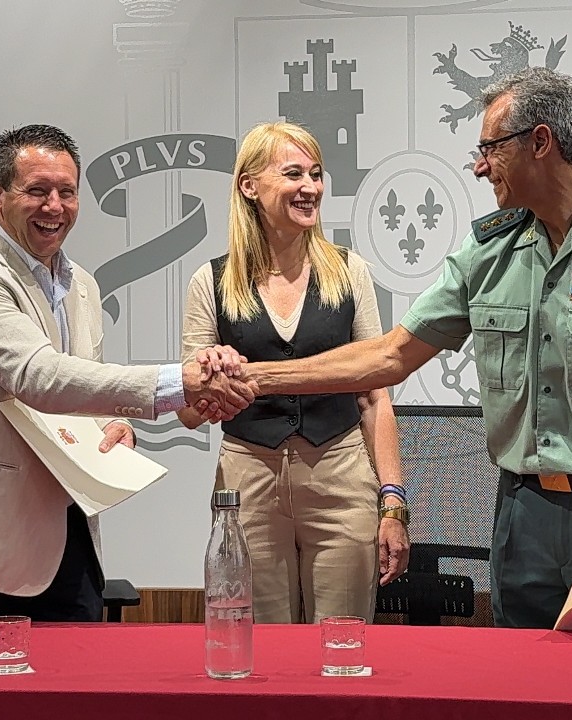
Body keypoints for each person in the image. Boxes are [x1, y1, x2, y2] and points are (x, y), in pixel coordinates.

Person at [241, 68, 572, 628]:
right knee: (518, 675)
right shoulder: (489, 251)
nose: (480, 166)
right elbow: (392, 356)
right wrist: (255, 379)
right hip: (523, 516)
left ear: (540, 142)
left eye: (491, 148)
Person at [0, 124, 254, 622]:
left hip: (68, 539)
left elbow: (84, 384)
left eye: (67, 192)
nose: (54, 207)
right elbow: (41, 378)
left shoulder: (80, 283)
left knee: (78, 673)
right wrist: (181, 383)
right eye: (37, 190)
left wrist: (113, 424)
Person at [179, 121, 410, 623]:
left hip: (341, 475)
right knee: (260, 645)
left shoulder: (350, 272)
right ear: (249, 186)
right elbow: (189, 414)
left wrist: (392, 502)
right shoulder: (210, 281)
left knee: (342, 642)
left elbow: (375, 397)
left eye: (316, 174)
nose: (311, 187)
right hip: (248, 478)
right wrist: (211, 382)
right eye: (293, 174)